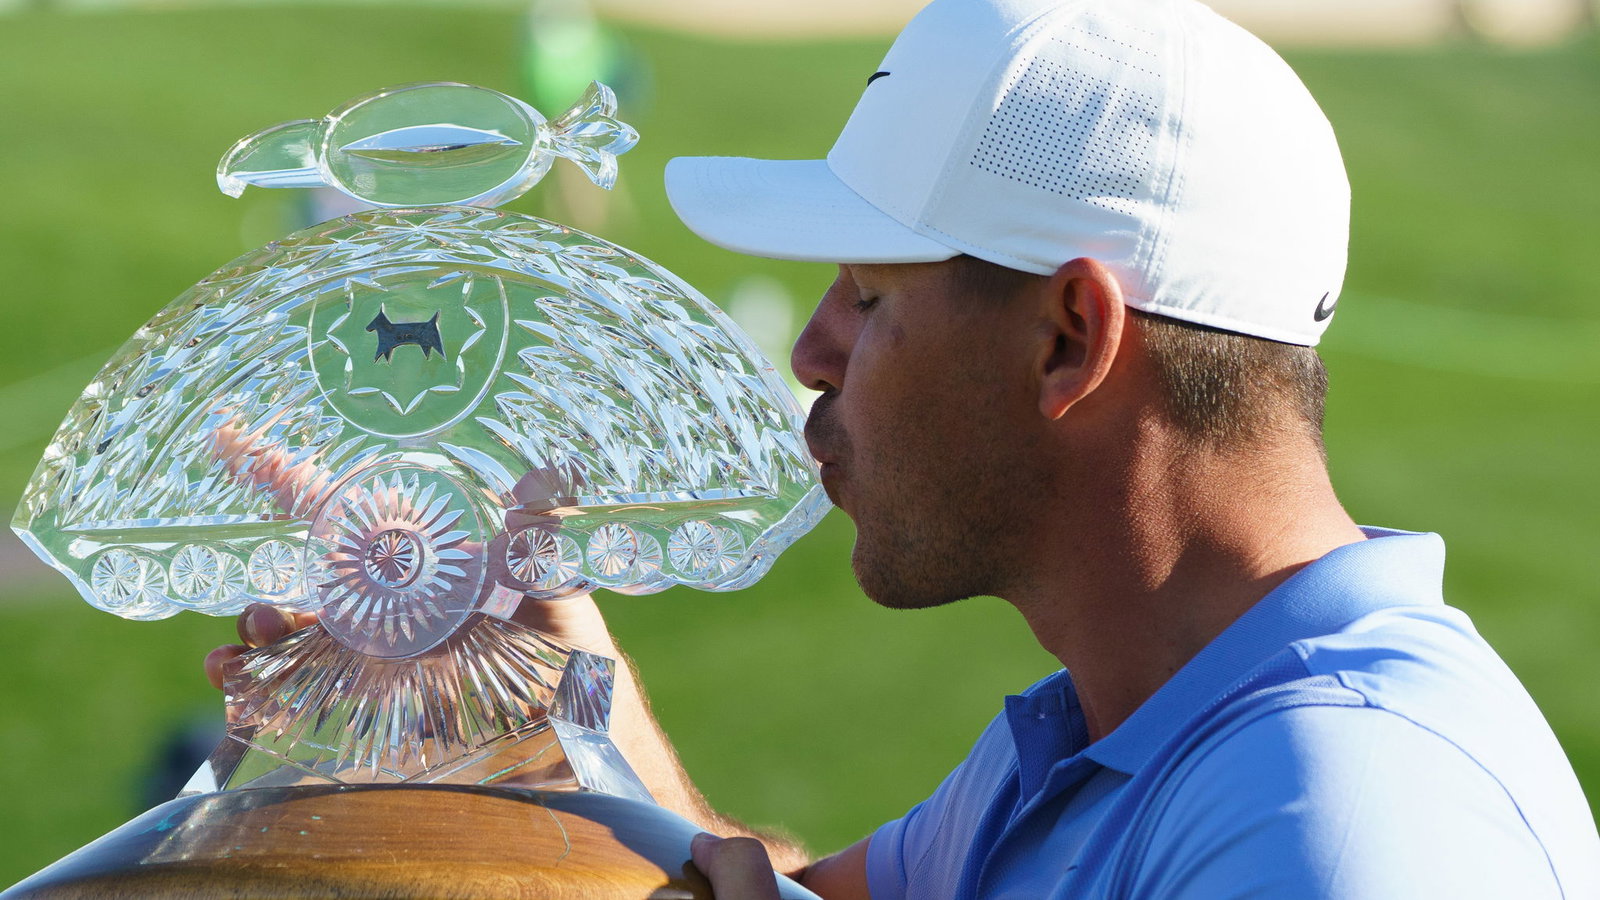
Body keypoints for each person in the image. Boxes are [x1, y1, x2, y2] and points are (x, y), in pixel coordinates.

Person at [210, 0, 1600, 896]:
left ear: (1068, 337)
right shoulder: (1101, 736)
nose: (813, 350)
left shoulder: (1341, 828)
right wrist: (544, 690)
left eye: (870, 296)